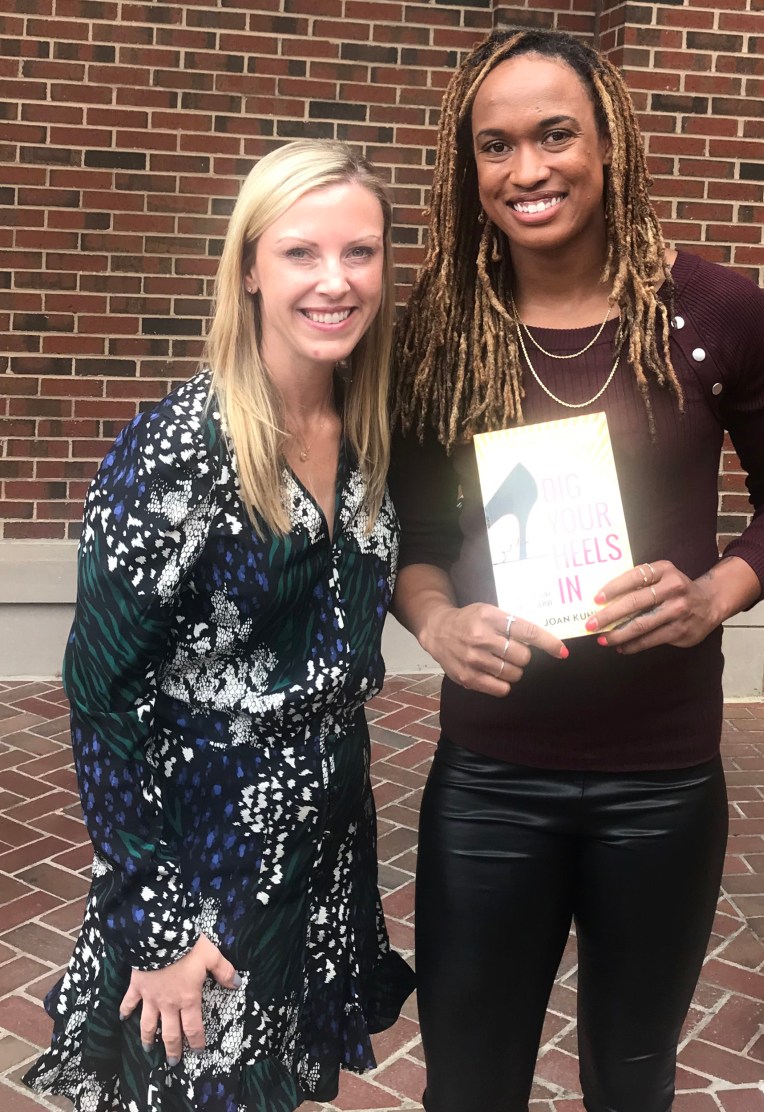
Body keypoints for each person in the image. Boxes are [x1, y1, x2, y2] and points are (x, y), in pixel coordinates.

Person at [388, 28, 764, 1112]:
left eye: (556, 135)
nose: (527, 169)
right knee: (469, 1082)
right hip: (492, 773)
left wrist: (714, 595)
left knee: (633, 1079)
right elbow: (412, 533)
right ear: (468, 165)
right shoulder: (443, 328)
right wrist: (438, 621)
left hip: (662, 774)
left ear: (610, 144)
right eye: (496, 145)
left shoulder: (716, 313)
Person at [24, 139, 415, 1112]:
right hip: (204, 853)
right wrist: (157, 928)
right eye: (300, 252)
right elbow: (101, 693)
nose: (335, 280)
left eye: (360, 252)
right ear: (249, 268)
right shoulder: (178, 451)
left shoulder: (370, 430)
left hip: (324, 839)